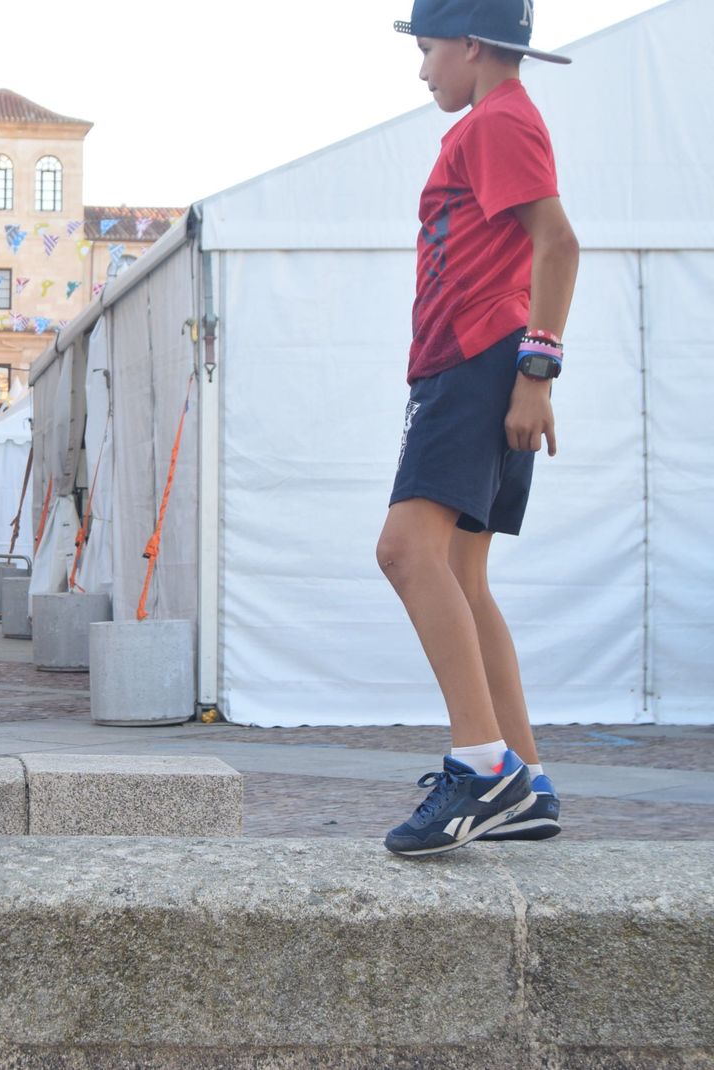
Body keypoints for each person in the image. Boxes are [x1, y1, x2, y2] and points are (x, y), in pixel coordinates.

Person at [380, 0, 579, 856]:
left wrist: (536, 370)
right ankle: (525, 781)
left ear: (469, 44)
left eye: (427, 49)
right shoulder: (497, 119)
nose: (422, 68)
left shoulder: (499, 120)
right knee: (463, 573)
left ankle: (481, 766)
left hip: (478, 359)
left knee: (403, 552)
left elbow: (560, 243)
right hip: (475, 359)